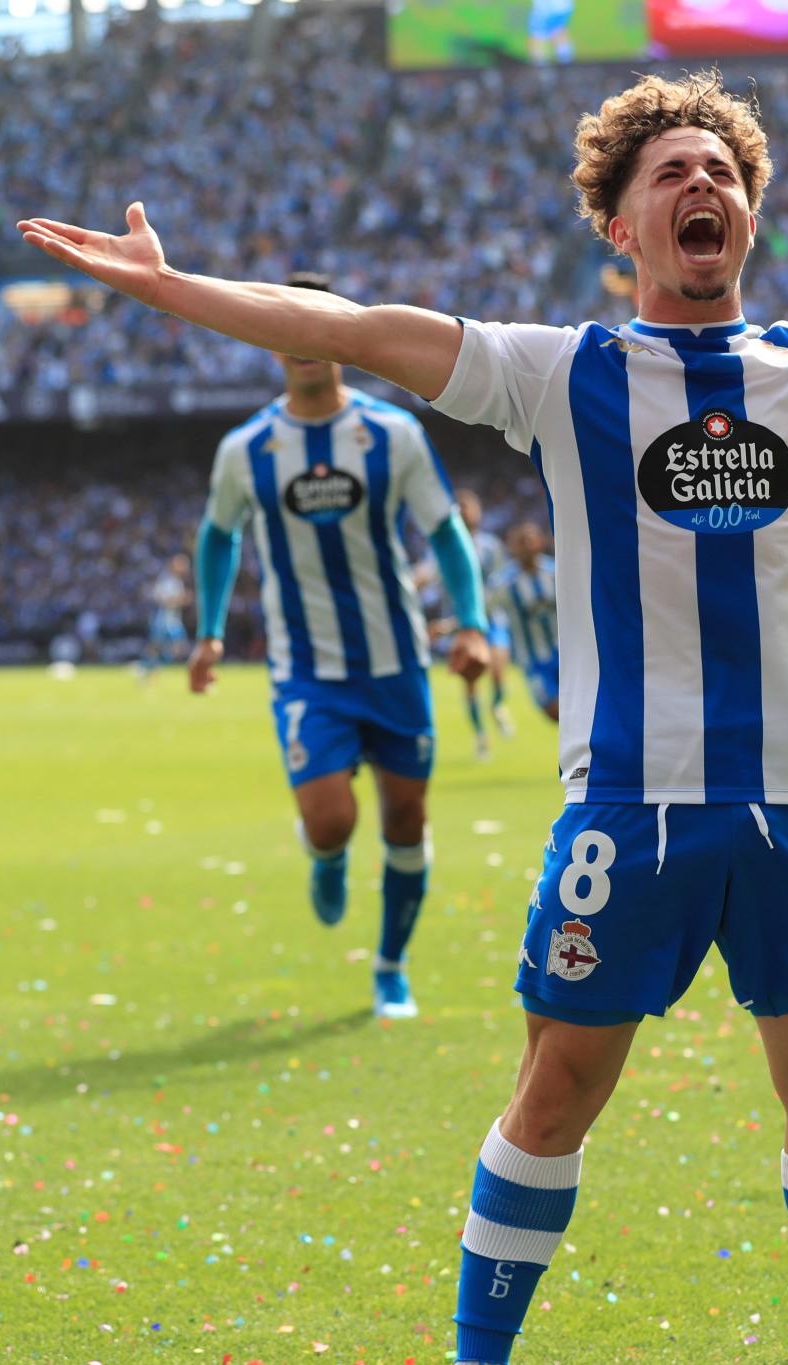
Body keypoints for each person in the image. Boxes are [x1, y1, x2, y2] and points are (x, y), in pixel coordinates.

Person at [20, 69, 788, 1362]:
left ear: (747, 218)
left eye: (721, 173)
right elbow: (355, 327)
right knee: (558, 1089)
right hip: (633, 805)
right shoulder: (561, 375)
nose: (702, 186)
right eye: (671, 172)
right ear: (619, 227)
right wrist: (167, 285)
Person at [183, 272, 491, 1021]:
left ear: (340, 334)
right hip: (307, 673)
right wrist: (211, 630)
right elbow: (219, 536)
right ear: (272, 341)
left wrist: (474, 621)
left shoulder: (393, 434)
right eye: (287, 326)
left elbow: (444, 530)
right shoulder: (246, 449)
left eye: (318, 323)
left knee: (405, 821)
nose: (304, 342)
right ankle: (325, 858)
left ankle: (390, 966)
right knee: (331, 821)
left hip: (395, 664)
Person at [422, 488, 517, 758]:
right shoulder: (444, 547)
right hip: (461, 621)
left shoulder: (491, 545)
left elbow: (504, 578)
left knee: (498, 670)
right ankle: (481, 736)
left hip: (493, 618)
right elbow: (430, 574)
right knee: (471, 678)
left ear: (478, 512)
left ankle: (498, 706)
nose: (464, 512)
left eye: (468, 507)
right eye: (459, 508)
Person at [492, 521, 559, 722]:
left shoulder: (557, 572)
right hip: (533, 660)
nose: (526, 546)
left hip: (568, 654)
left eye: (529, 540)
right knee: (554, 711)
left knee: (582, 707)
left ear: (539, 542)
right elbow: (485, 611)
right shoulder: (503, 583)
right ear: (511, 547)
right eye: (520, 542)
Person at [138, 552, 192, 683]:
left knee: (175, 648)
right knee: (157, 648)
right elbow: (161, 600)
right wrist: (181, 600)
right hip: (163, 620)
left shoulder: (177, 581)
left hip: (173, 621)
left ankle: (150, 669)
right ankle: (146, 669)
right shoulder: (166, 579)